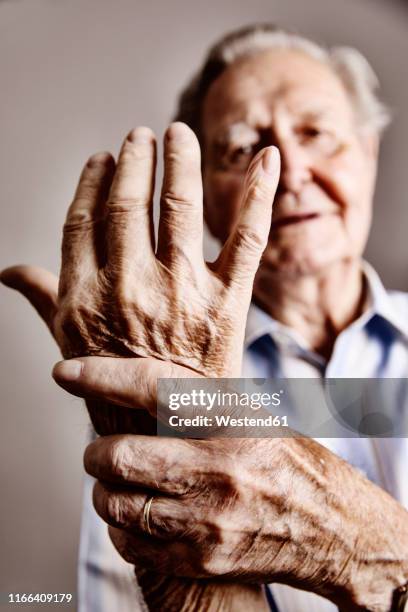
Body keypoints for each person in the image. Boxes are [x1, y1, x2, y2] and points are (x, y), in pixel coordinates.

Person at [2, 23, 408, 612]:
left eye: (317, 133)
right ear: (206, 196)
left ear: (368, 154)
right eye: (244, 148)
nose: (290, 173)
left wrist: (361, 548)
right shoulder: (161, 392)